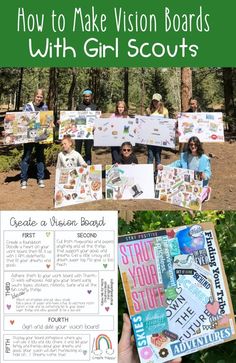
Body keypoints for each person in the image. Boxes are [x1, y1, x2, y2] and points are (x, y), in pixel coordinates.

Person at [158, 136, 211, 200]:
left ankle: (207, 191)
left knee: (197, 200)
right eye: (191, 144)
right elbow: (176, 164)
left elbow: (208, 173)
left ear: (198, 145)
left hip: (200, 184)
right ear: (188, 145)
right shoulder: (185, 156)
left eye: (195, 144)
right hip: (187, 183)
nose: (193, 146)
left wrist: (204, 175)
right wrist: (163, 167)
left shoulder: (204, 159)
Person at [20, 89, 48, 189]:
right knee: (26, 157)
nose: (39, 99)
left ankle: (40, 178)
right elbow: (23, 120)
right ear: (34, 96)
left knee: (40, 157)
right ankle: (23, 179)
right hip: (29, 135)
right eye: (37, 96)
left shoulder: (45, 106)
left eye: (41, 97)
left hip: (40, 136)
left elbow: (47, 120)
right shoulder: (28, 106)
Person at [146, 93, 169, 179]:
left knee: (158, 157)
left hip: (160, 139)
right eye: (154, 101)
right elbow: (145, 123)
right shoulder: (148, 110)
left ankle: (157, 175)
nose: (155, 102)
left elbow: (168, 125)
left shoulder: (165, 111)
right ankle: (148, 176)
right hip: (150, 138)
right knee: (150, 157)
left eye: (157, 101)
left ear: (160, 102)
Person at [75, 89, 97, 165]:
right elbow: (75, 118)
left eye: (88, 96)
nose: (87, 98)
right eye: (85, 96)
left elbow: (97, 119)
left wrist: (96, 126)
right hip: (79, 132)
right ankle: (77, 166)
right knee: (78, 150)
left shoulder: (94, 106)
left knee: (88, 150)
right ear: (83, 97)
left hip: (89, 132)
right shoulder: (79, 106)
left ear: (91, 97)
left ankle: (88, 166)